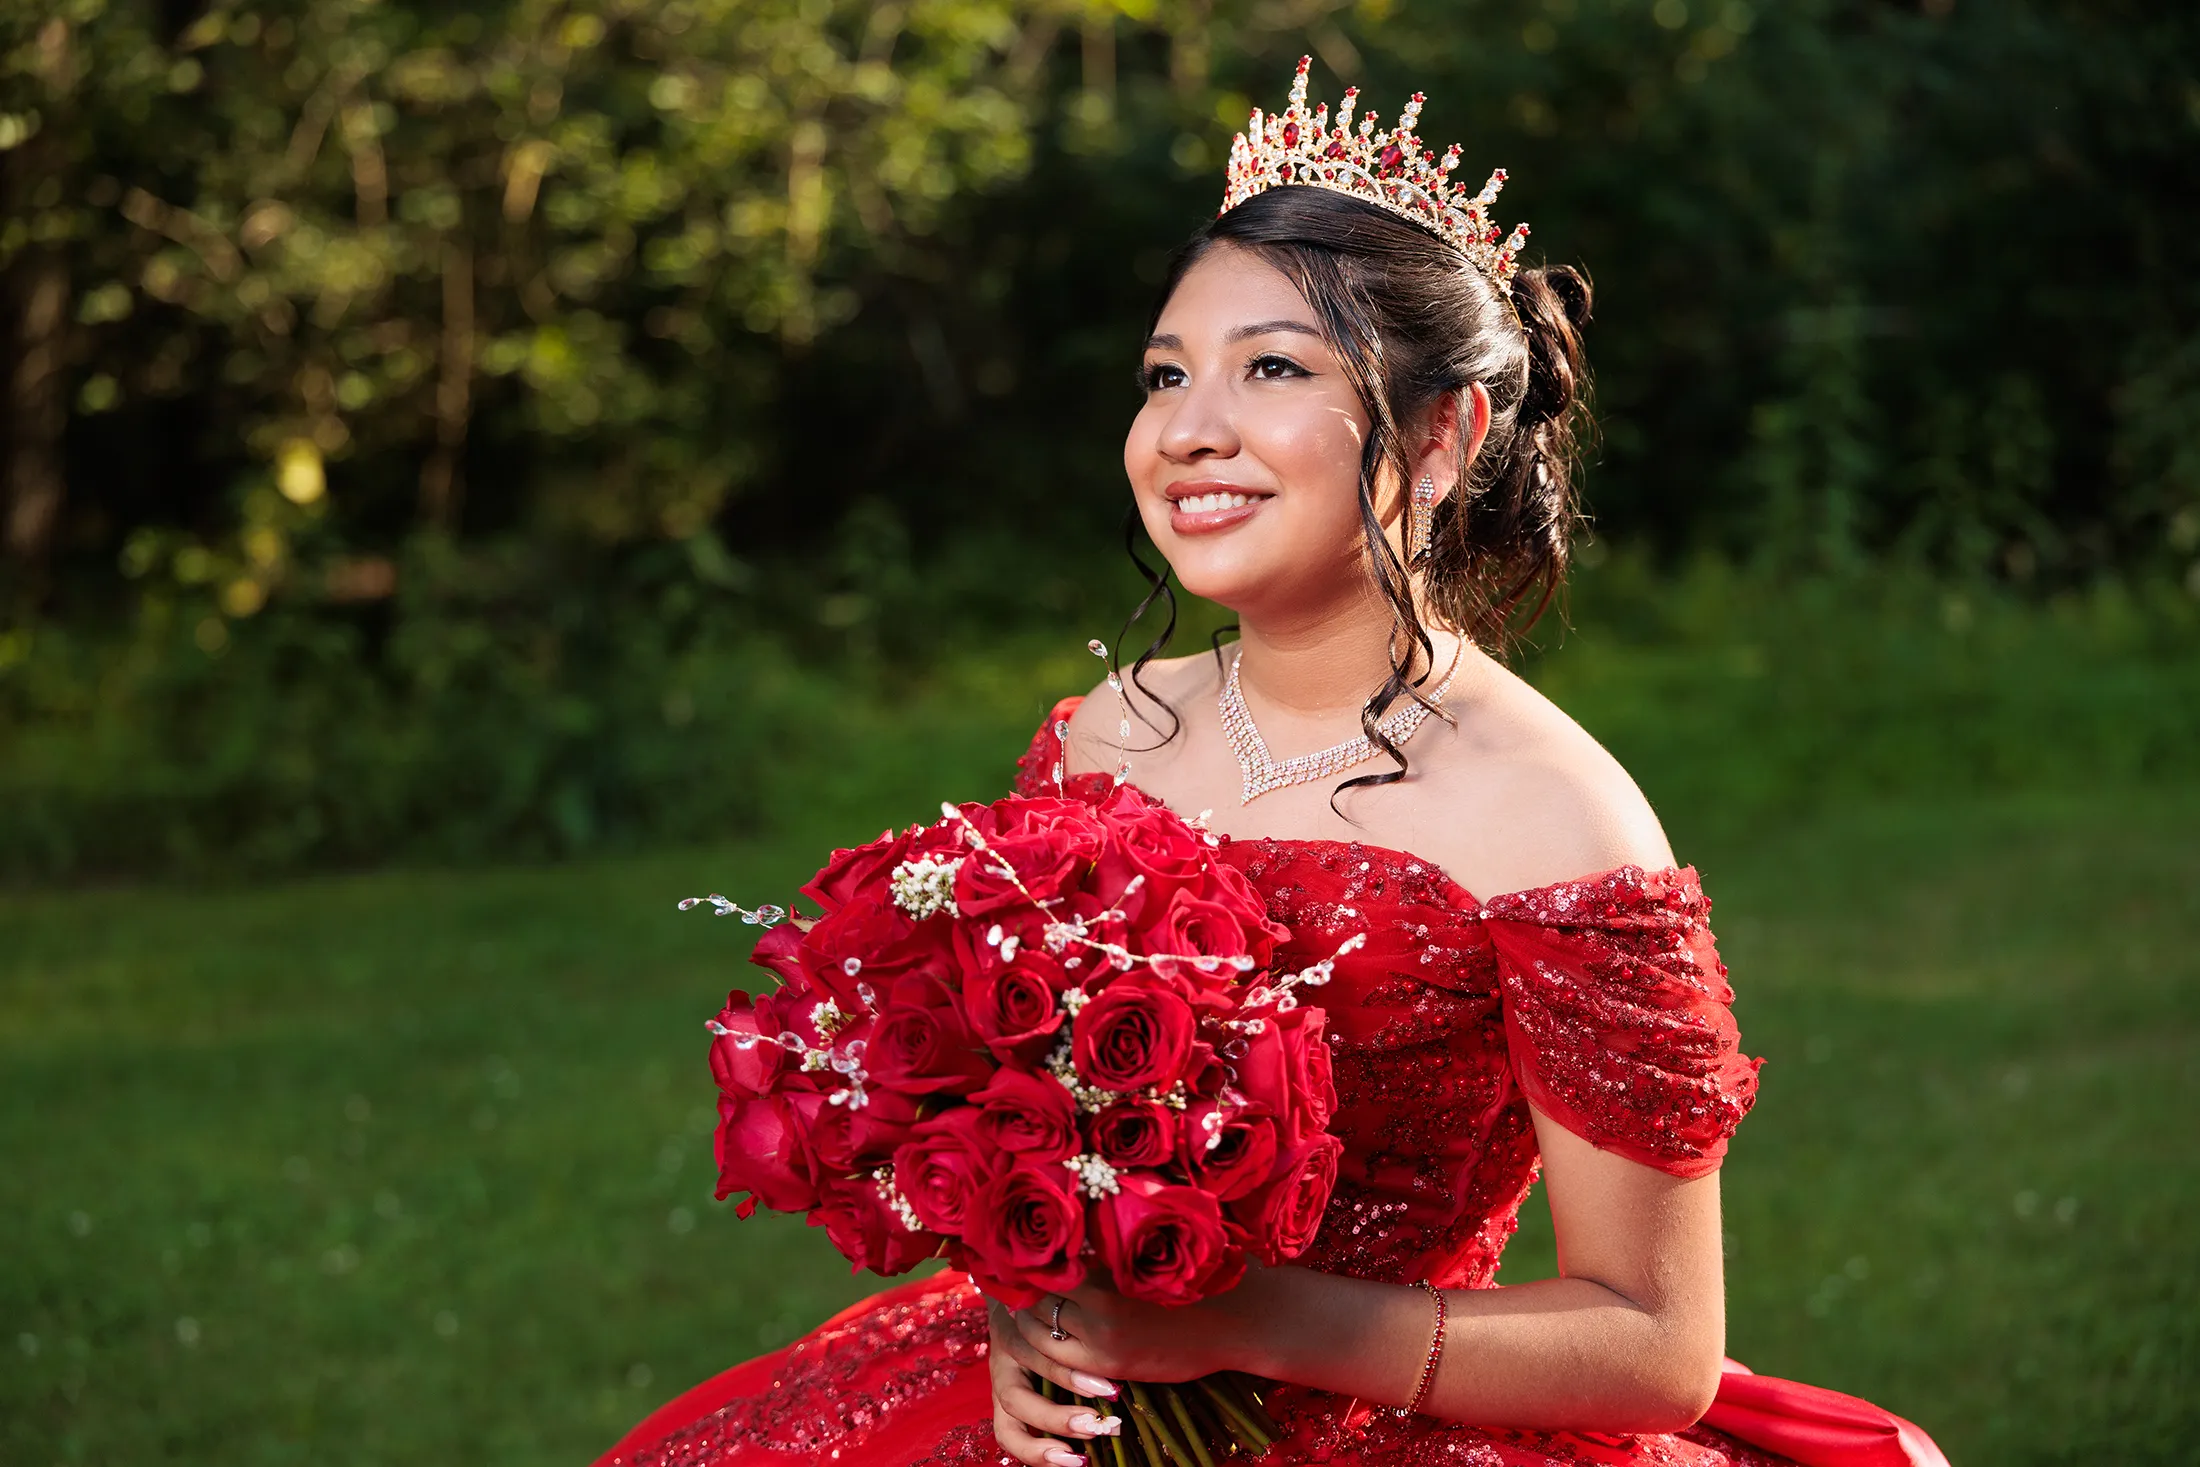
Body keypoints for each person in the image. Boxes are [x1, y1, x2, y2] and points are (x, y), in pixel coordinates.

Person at [596, 59, 1944, 1467]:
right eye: (1167, 374)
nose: (1188, 429)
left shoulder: (1561, 816)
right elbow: (1017, 1132)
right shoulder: (1101, 734)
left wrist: (1257, 1324)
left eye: (1274, 369)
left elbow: (1655, 1345)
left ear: (1442, 435)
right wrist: (1035, 1308)